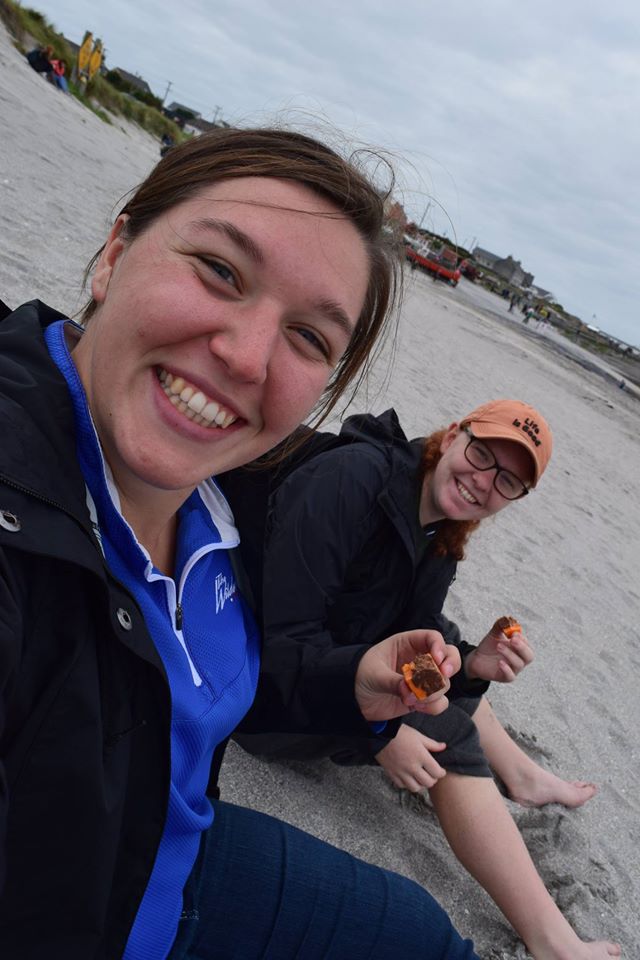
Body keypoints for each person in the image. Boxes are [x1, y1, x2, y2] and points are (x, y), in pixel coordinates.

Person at [0, 128, 479, 959]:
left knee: (430, 937)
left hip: (165, 851)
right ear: (117, 251)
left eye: (308, 338)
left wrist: (350, 684)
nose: (245, 356)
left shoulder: (227, 496)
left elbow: (169, 688)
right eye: (220, 271)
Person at [224, 400, 620, 960]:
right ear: (453, 435)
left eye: (507, 481)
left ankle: (521, 776)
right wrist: (379, 735)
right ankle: (553, 941)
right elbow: (281, 648)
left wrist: (471, 664)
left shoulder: (438, 530)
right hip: (248, 687)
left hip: (312, 665)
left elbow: (411, 637)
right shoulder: (353, 480)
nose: (483, 482)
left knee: (440, 650)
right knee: (447, 730)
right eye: (481, 455)